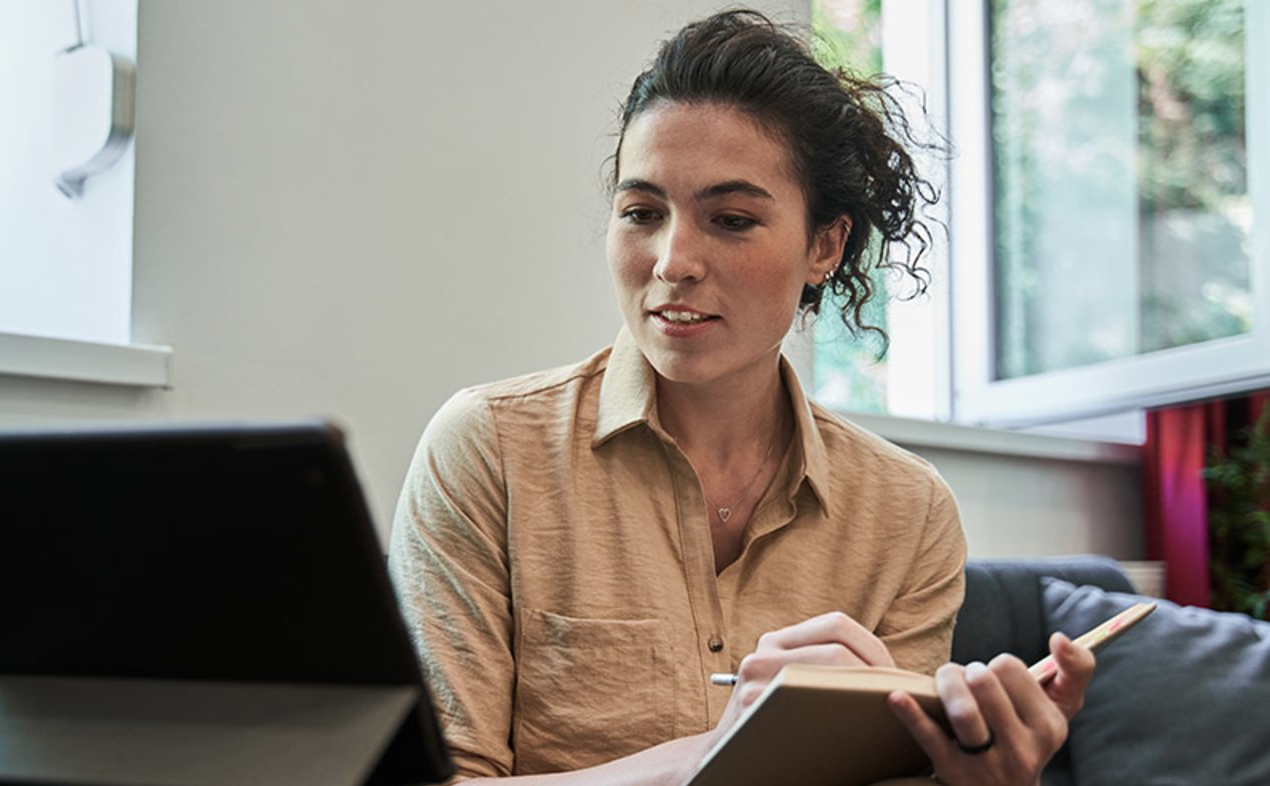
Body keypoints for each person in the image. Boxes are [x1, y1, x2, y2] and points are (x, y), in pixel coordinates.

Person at [388, 9, 1094, 785]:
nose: (673, 261)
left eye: (730, 219)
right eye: (642, 213)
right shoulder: (488, 449)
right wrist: (714, 755)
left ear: (824, 245)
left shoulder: (908, 511)